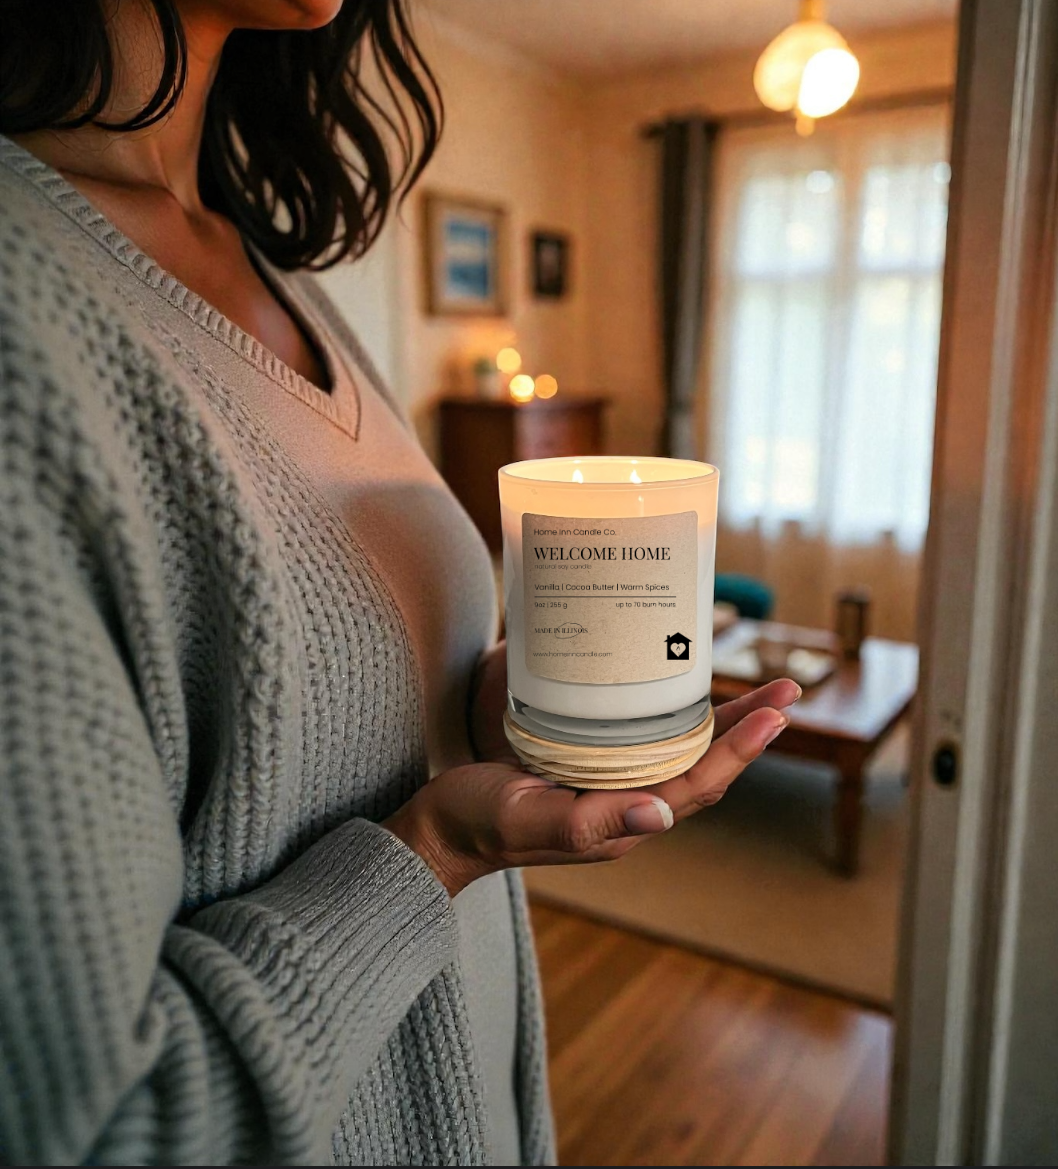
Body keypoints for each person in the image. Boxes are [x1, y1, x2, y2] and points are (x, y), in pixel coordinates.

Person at [0, 0, 799, 1164]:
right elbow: (103, 1127)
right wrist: (443, 850)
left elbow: (331, 712)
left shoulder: (271, 267)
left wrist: (495, 722)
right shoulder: (29, 309)